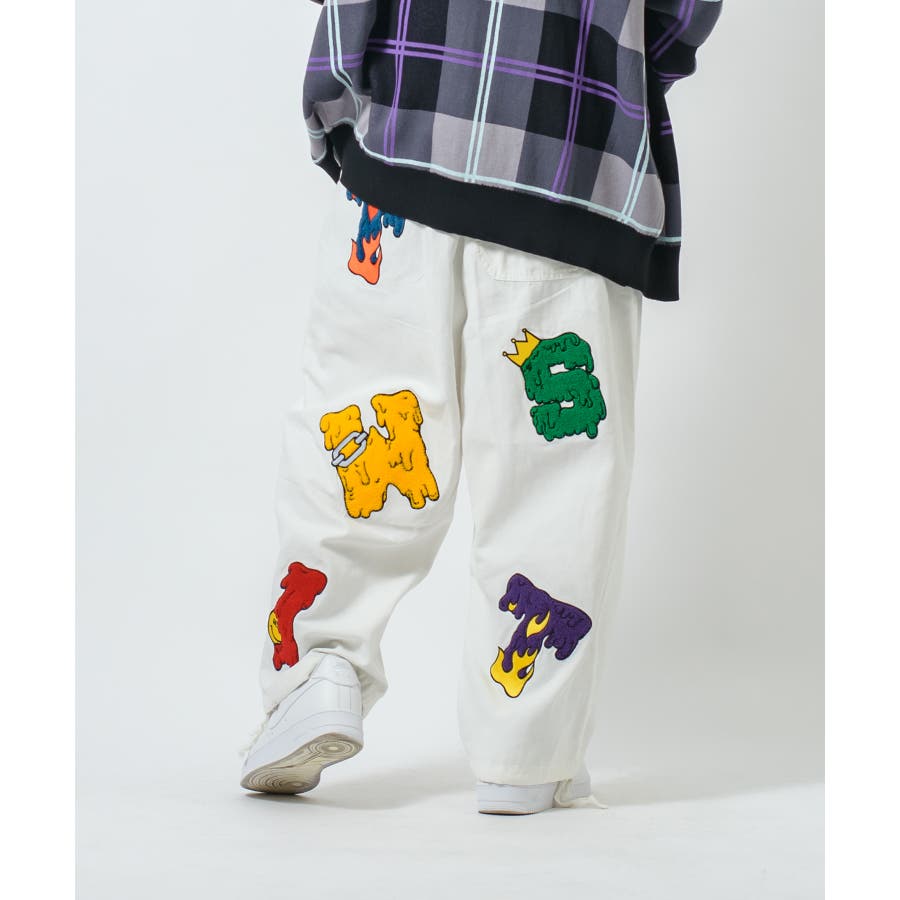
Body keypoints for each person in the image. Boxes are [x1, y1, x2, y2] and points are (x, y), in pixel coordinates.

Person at [240, 0, 722, 814]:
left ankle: (317, 670)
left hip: (402, 149)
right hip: (572, 160)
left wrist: (343, 92)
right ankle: (525, 753)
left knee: (362, 437)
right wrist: (618, 64)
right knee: (555, 482)